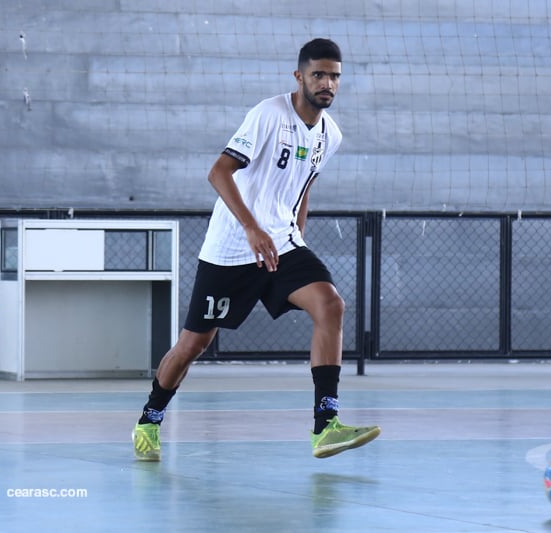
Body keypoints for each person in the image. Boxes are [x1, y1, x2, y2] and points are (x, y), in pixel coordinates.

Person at [132, 38, 381, 461]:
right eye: (318, 74)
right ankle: (149, 420)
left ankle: (326, 425)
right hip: (231, 247)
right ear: (299, 76)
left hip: (281, 243)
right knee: (194, 344)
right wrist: (251, 228)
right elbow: (219, 172)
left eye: (335, 76)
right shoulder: (268, 114)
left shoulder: (330, 135)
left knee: (331, 305)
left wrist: (295, 234)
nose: (327, 83)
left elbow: (304, 186)